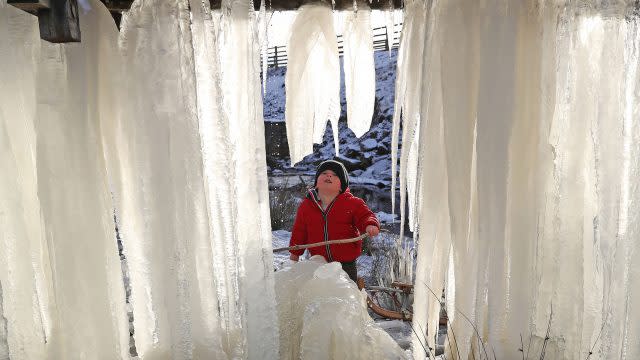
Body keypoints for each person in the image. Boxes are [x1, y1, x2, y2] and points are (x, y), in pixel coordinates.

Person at [289, 159, 380, 283]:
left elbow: (365, 216)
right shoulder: (307, 206)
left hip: (345, 264)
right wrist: (295, 254)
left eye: (335, 174)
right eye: (324, 173)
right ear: (316, 183)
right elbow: (299, 232)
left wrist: (370, 224)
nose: (329, 175)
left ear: (342, 185)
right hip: (317, 262)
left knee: (346, 293)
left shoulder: (352, 203)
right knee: (320, 292)